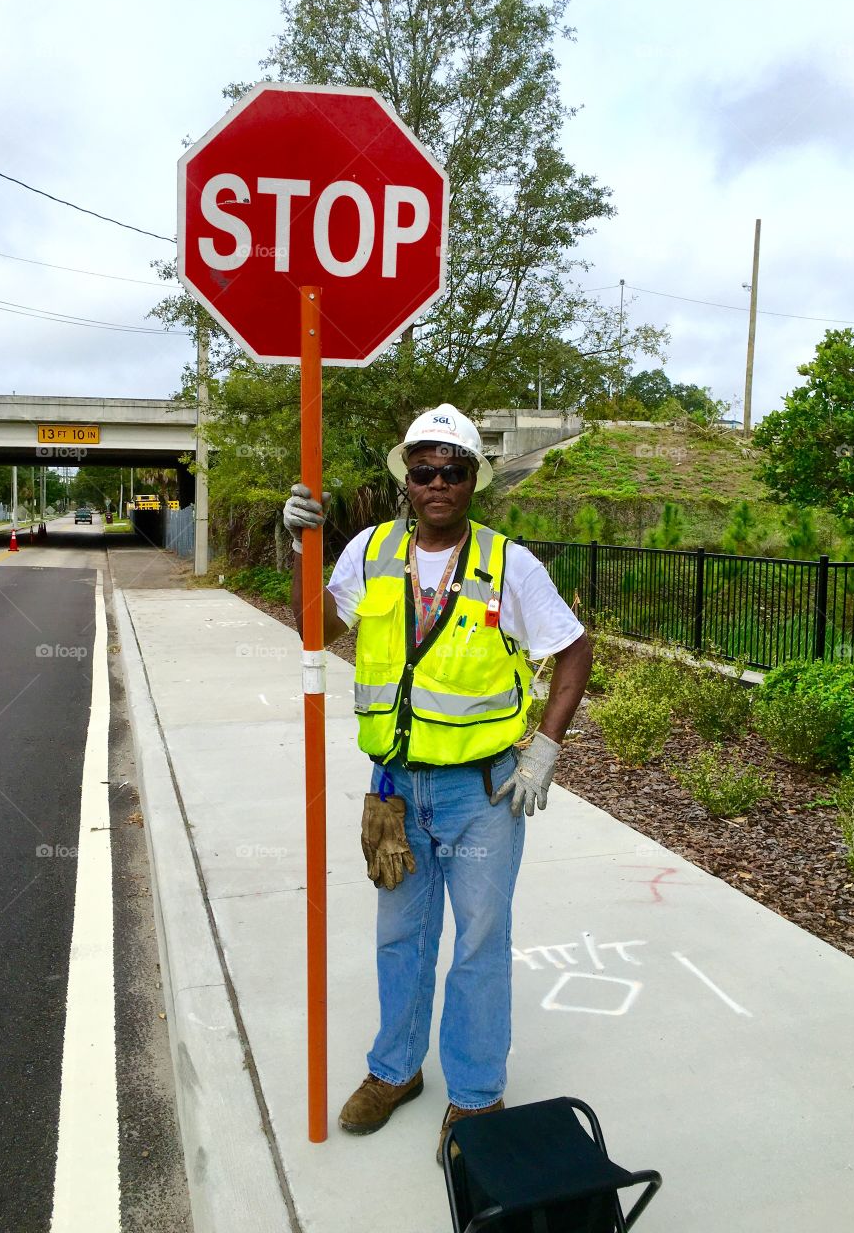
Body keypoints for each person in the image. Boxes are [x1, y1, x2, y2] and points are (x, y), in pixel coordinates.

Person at [285, 402, 592, 1163]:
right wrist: (302, 550)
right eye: (424, 469)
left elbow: (573, 652)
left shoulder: (507, 564)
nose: (438, 483)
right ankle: (395, 1072)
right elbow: (316, 631)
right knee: (399, 937)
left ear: (473, 481)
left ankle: (477, 1095)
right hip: (394, 788)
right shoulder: (370, 550)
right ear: (407, 479)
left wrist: (544, 749)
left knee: (480, 944)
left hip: (480, 796)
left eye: (454, 471)